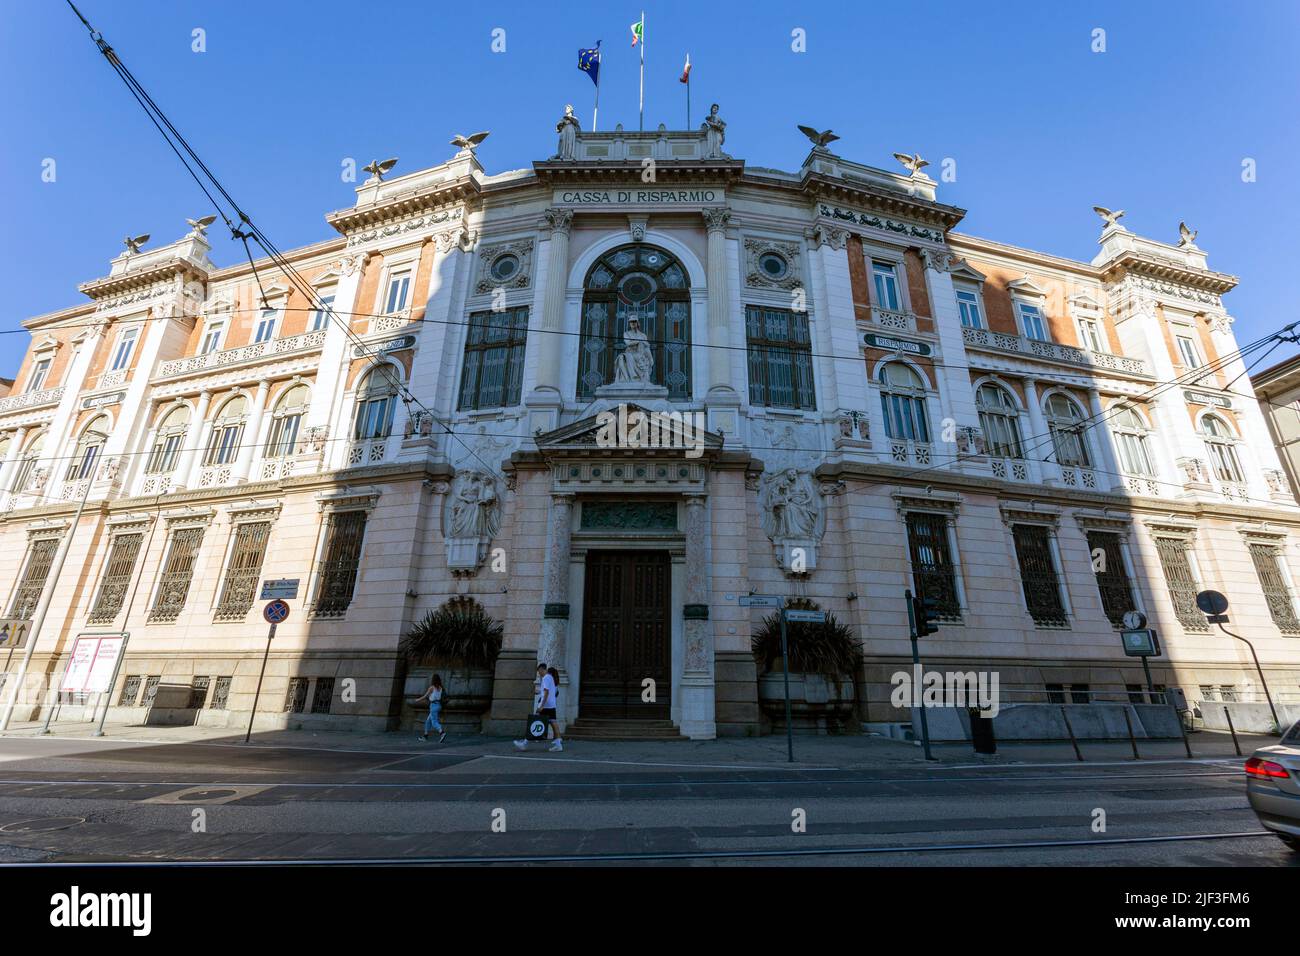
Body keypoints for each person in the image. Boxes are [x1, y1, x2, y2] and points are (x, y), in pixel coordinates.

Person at [515, 663, 563, 752]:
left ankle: (525, 743)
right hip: (551, 705)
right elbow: (547, 692)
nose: (539, 673)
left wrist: (541, 706)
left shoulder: (545, 678)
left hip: (545, 706)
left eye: (539, 671)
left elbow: (546, 693)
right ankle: (558, 744)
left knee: (534, 722)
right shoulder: (550, 678)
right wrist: (539, 692)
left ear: (542, 669)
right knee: (553, 723)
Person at [415, 674, 447, 743]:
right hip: (438, 705)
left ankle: (442, 732)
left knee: (434, 722)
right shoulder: (441, 687)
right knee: (428, 721)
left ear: (433, 680)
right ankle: (425, 736)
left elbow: (425, 696)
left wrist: (417, 700)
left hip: (433, 706)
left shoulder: (432, 688)